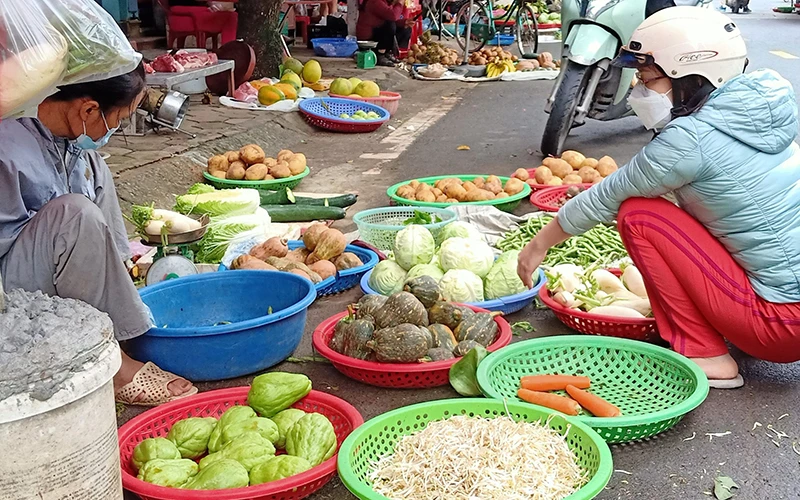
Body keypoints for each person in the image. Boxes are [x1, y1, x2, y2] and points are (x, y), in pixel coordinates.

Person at [517, 7, 800, 389]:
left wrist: (536, 247)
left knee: (639, 214)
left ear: (692, 79)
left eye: (648, 79)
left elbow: (607, 196)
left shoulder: (691, 140)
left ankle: (705, 353)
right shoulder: (753, 113)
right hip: (787, 312)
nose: (639, 91)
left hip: (780, 325)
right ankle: (727, 324)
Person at [0, 63, 197, 406]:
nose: (115, 128)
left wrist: (121, 269)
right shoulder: (7, 149)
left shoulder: (72, 144)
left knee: (93, 169)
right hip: (11, 290)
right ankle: (117, 369)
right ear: (89, 109)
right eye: (118, 118)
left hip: (49, 263)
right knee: (74, 213)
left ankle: (121, 326)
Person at [357, 0, 413, 66]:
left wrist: (405, 22)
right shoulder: (374, 2)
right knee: (389, 25)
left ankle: (388, 52)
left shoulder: (385, 2)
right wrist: (399, 3)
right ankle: (380, 55)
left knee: (405, 28)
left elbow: (393, 19)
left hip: (376, 34)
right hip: (368, 40)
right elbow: (393, 16)